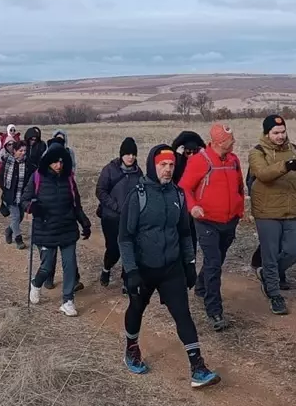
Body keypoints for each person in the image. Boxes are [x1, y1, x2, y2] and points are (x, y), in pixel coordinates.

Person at [119, 145, 220, 388]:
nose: (168, 170)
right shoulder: (138, 195)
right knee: (136, 309)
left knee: (183, 314)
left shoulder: (178, 194)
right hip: (143, 268)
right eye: (163, 165)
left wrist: (189, 264)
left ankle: (198, 367)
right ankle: (131, 348)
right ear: (153, 166)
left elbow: (185, 233)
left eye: (172, 165)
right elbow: (125, 237)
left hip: (171, 267)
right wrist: (131, 270)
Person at [178, 123, 245, 332]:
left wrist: (240, 212)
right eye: (229, 139)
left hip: (229, 221)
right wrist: (193, 207)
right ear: (218, 142)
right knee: (215, 263)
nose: (233, 141)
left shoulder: (233, 160)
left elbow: (240, 187)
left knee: (216, 259)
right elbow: (184, 187)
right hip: (206, 221)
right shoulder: (200, 161)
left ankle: (200, 285)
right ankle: (214, 310)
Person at [247, 115, 296, 315]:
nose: (280, 136)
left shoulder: (295, 149)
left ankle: (266, 274)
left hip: (292, 210)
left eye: (283, 132)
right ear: (267, 133)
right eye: (275, 133)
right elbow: (263, 174)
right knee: (270, 254)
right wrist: (285, 166)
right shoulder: (257, 152)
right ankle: (274, 294)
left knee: (293, 251)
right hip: (267, 212)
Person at [23, 142, 91, 316]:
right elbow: (24, 199)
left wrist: (84, 222)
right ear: (47, 161)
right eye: (55, 162)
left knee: (70, 266)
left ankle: (68, 301)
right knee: (47, 266)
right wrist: (32, 207)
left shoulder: (69, 178)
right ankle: (36, 284)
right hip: (46, 230)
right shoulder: (37, 177)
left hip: (67, 228)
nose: (58, 165)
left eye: (61, 162)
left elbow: (76, 204)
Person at [95, 138, 142, 292]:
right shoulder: (109, 169)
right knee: (114, 249)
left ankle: (126, 281)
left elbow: (141, 193)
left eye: (133, 154)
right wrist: (116, 206)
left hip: (130, 218)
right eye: (128, 154)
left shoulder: (138, 172)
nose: (131, 157)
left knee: (129, 247)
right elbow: (100, 191)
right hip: (111, 218)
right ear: (121, 154)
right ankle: (106, 269)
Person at [0, 140, 31, 250]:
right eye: (20, 150)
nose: (23, 153)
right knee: (16, 216)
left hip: (22, 196)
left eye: (24, 151)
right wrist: (6, 192)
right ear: (14, 151)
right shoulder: (7, 162)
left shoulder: (27, 164)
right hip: (10, 196)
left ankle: (9, 230)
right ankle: (18, 240)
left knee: (20, 217)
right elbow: (1, 179)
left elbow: (29, 180)